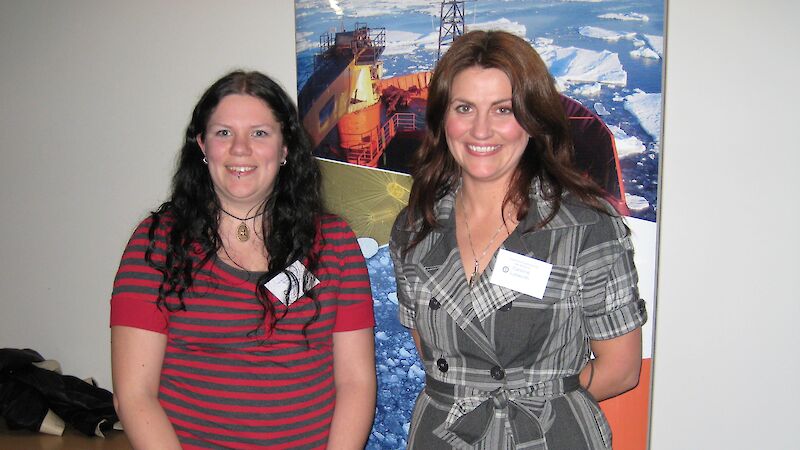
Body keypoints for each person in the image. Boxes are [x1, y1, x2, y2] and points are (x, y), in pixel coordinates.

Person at [389, 30, 647, 449]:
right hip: (444, 437)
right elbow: (434, 354)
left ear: (532, 118)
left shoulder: (587, 229)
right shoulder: (415, 229)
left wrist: (527, 408)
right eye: (465, 107)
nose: (481, 130)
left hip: (549, 437)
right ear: (442, 119)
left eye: (503, 109)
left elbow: (620, 369)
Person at [110, 71, 376, 449]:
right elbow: (134, 396)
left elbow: (356, 382)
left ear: (285, 148)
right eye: (223, 133)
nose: (240, 149)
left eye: (259, 133)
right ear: (202, 145)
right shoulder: (157, 245)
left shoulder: (333, 244)